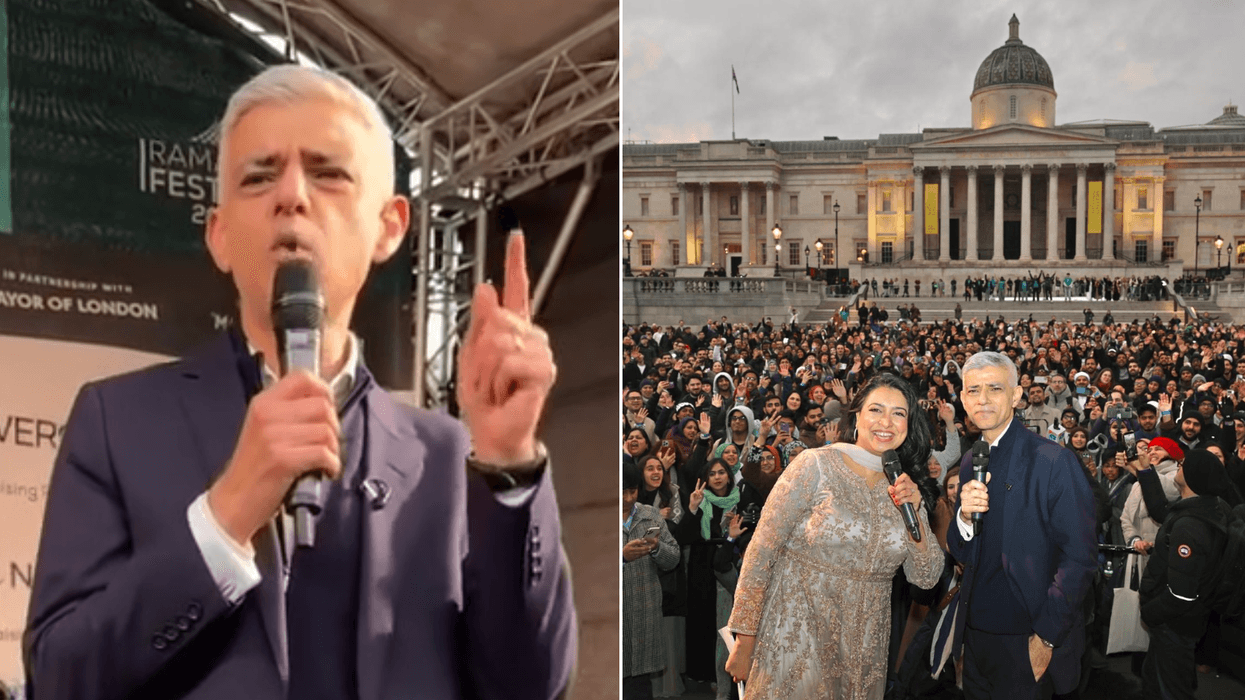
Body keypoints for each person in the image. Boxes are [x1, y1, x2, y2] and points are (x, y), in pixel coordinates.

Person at [23, 65, 574, 699]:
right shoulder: (117, 423)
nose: (292, 195)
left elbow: (530, 687)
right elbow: (60, 678)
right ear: (220, 235)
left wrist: (508, 465)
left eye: (327, 172)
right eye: (258, 176)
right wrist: (225, 516)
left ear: (390, 226)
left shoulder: (449, 457)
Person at [724, 373, 944, 697]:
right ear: (856, 416)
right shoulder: (815, 465)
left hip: (865, 649)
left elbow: (926, 578)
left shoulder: (904, 487)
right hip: (795, 634)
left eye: (899, 413)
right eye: (876, 410)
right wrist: (744, 638)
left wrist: (918, 516)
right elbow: (761, 551)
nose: (887, 421)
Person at [949, 352, 1097, 699]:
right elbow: (959, 549)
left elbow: (1080, 558)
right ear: (962, 399)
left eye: (994, 388)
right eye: (972, 391)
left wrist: (1045, 638)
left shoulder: (1053, 460)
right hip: (975, 634)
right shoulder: (972, 459)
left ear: (1016, 396)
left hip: (1026, 639)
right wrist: (964, 519)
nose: (982, 399)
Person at [1139, 449, 1233, 700]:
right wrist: (1145, 472)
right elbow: (1163, 512)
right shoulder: (1209, 507)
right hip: (1183, 621)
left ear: (1192, 475)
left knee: (1172, 690)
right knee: (1155, 684)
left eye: (1182, 464)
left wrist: (1149, 612)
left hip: (1174, 624)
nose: (1178, 467)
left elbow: (1181, 595)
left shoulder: (1190, 526)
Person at [623, 464, 681, 700]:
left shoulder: (650, 515)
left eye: (632, 491)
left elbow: (674, 558)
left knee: (640, 684)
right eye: (622, 491)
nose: (628, 498)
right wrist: (621, 557)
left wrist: (657, 548)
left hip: (644, 613)